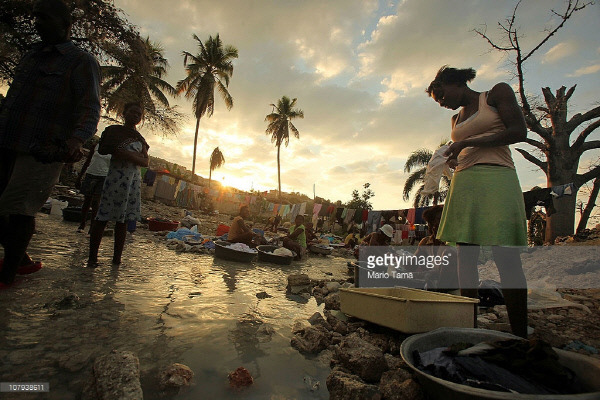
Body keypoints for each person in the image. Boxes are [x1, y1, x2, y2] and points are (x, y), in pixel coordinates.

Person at [0, 0, 101, 287]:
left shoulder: (81, 61)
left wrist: (75, 140)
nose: (38, 23)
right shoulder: (32, 56)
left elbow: (90, 107)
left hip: (42, 149)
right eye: (36, 18)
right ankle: (19, 260)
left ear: (66, 25)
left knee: (19, 209)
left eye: (45, 18)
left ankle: (8, 279)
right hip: (7, 141)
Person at [426, 65, 528, 337]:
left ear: (456, 83)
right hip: (464, 182)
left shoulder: (495, 94)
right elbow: (463, 149)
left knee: (505, 255)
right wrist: (454, 157)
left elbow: (519, 131)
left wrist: (469, 143)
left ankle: (520, 333)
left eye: (442, 95)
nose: (443, 103)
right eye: (438, 102)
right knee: (465, 256)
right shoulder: (455, 120)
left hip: (496, 178)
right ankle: (467, 326)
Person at [87, 102, 148, 266]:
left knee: (123, 221)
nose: (135, 116)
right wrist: (134, 156)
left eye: (139, 114)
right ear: (124, 112)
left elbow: (146, 161)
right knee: (103, 217)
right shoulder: (113, 131)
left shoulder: (140, 138)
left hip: (132, 182)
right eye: (133, 112)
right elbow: (103, 149)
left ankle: (117, 260)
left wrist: (127, 154)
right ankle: (92, 258)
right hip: (115, 179)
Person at [75, 142, 111, 233]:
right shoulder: (96, 146)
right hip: (91, 174)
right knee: (87, 200)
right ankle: (82, 224)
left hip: (103, 176)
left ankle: (92, 227)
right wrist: (80, 177)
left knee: (96, 202)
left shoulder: (114, 149)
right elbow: (88, 161)